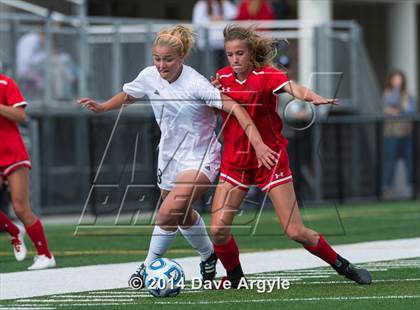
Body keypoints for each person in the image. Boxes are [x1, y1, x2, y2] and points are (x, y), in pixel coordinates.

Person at [78, 25, 277, 288]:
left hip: (200, 158)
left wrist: (258, 143)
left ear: (181, 56)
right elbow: (130, 94)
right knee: (181, 215)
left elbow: (235, 108)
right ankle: (208, 256)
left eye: (168, 59)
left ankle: (147, 266)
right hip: (169, 157)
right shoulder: (150, 76)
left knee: (166, 213)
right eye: (157, 59)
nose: (161, 65)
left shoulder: (195, 83)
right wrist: (103, 107)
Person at [210, 25, 372, 287]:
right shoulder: (222, 77)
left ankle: (343, 266)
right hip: (236, 161)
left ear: (251, 54)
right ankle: (236, 278)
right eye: (230, 54)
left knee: (295, 231)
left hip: (269, 159)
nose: (235, 59)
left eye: (240, 53)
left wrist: (313, 97)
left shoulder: (266, 75)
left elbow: (293, 87)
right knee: (217, 230)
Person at [0, 73, 55, 270]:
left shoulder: (5, 83)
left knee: (21, 208)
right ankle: (15, 231)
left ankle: (45, 255)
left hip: (12, 153)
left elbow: (21, 115)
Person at [383, 70, 417, 197]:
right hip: (391, 135)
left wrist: (396, 111)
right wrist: (395, 108)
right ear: (391, 80)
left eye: (399, 79)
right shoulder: (387, 93)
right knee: (390, 162)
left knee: (410, 161)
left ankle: (412, 188)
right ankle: (387, 189)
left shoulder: (407, 95)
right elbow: (390, 105)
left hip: (406, 134)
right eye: (395, 79)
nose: (397, 82)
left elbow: (409, 110)